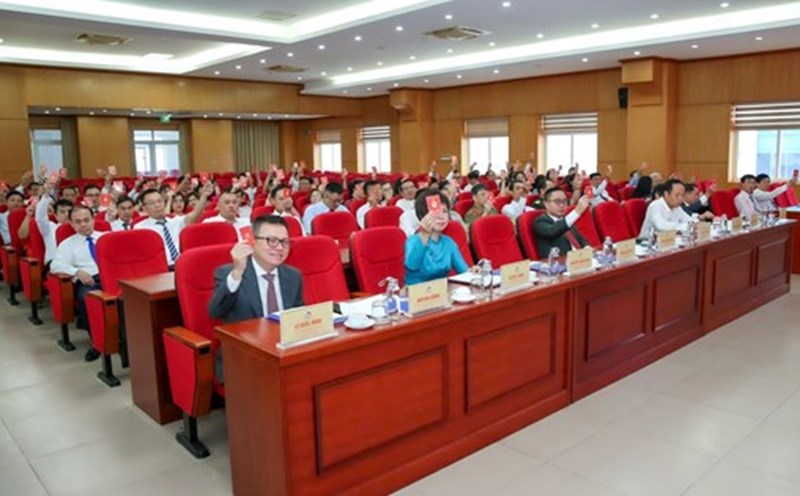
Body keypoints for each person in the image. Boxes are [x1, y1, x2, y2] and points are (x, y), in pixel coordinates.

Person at [208, 215, 304, 382]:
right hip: (245, 356)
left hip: (285, 353)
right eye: (271, 241)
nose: (279, 248)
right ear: (252, 241)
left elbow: (299, 315)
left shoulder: (293, 276)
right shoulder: (229, 273)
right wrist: (237, 273)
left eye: (284, 242)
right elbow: (215, 312)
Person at [50, 205, 105, 361]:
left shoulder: (106, 237)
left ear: (94, 220)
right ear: (72, 224)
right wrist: (76, 272)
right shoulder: (67, 244)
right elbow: (55, 266)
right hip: (88, 280)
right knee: (87, 298)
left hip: (111, 278)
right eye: (78, 221)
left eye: (86, 220)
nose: (83, 224)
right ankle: (96, 342)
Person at [135, 182, 213, 266]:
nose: (157, 205)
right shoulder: (140, 228)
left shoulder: (175, 221)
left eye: (159, 201)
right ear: (144, 208)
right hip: (159, 266)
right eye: (151, 203)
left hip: (182, 265)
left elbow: (195, 214)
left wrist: (204, 196)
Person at [404, 190, 469, 285]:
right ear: (422, 216)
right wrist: (425, 233)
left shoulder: (449, 242)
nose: (441, 217)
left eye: (445, 211)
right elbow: (412, 266)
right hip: (417, 294)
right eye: (435, 211)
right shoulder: (413, 241)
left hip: (442, 293)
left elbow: (464, 272)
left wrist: (474, 271)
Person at [533, 187, 591, 256]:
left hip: (580, 259)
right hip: (560, 262)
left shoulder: (566, 220)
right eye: (557, 201)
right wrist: (577, 211)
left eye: (564, 201)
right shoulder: (540, 222)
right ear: (546, 204)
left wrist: (588, 249)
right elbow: (553, 231)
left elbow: (581, 240)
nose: (562, 205)